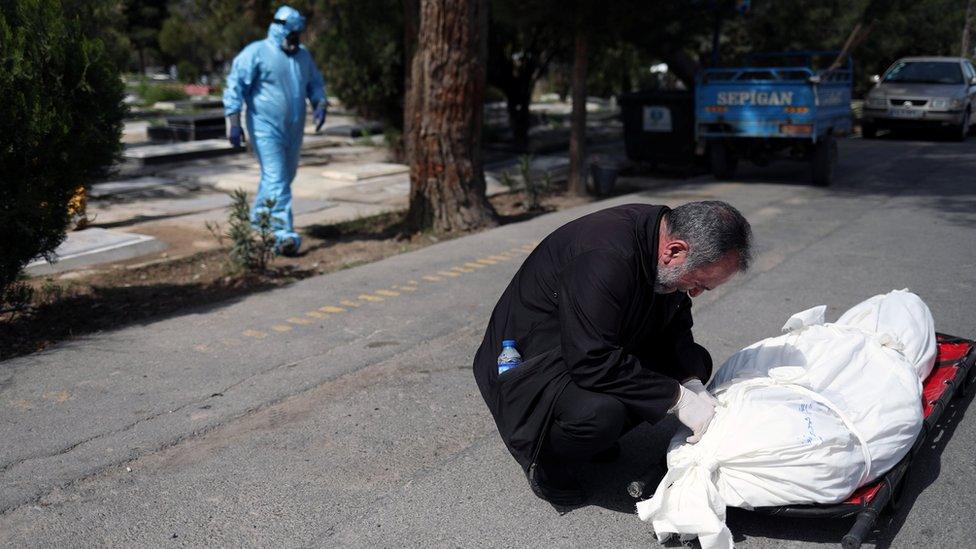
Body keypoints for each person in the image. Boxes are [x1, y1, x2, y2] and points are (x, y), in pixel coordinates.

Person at [472, 201, 752, 505]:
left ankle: (591, 439)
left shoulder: (661, 243)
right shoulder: (604, 255)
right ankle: (549, 462)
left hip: (590, 344)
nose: (695, 293)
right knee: (600, 415)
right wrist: (677, 398)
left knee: (695, 362)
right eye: (698, 283)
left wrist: (691, 382)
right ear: (674, 251)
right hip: (531, 362)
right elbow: (591, 360)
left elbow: (675, 328)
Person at [223, 5, 327, 256]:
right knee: (277, 177)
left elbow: (314, 82)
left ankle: (259, 220)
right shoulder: (256, 52)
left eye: (298, 34)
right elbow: (234, 85)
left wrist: (320, 101)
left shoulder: (302, 56)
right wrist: (234, 120)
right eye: (292, 33)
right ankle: (283, 236)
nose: (295, 39)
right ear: (279, 28)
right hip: (265, 127)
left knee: (283, 177)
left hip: (294, 128)